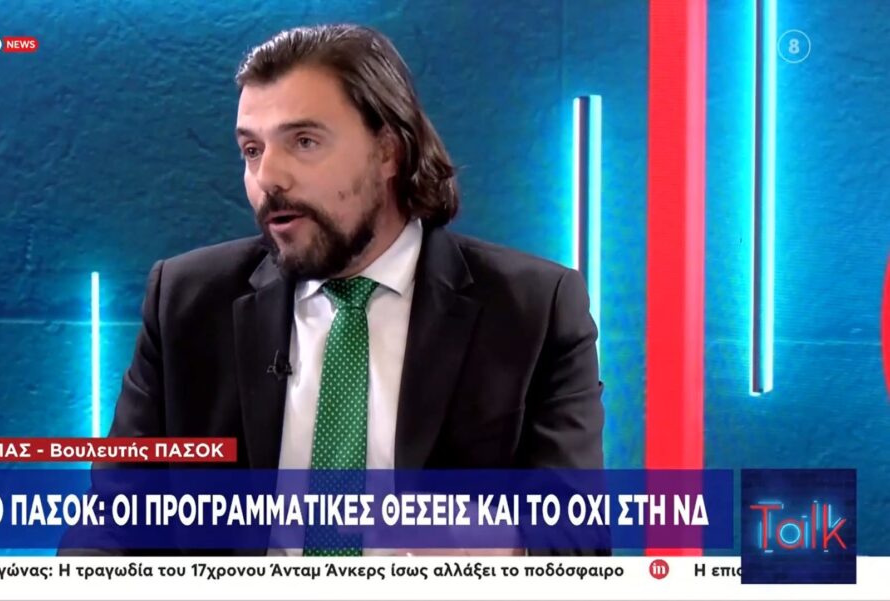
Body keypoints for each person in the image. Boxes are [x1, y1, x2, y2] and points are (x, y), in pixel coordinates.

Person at [70, 23, 604, 556]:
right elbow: (112, 527)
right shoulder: (186, 301)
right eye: (252, 150)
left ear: (389, 149)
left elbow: (576, 539)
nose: (268, 177)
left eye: (304, 142)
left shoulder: (535, 310)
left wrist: (483, 543)